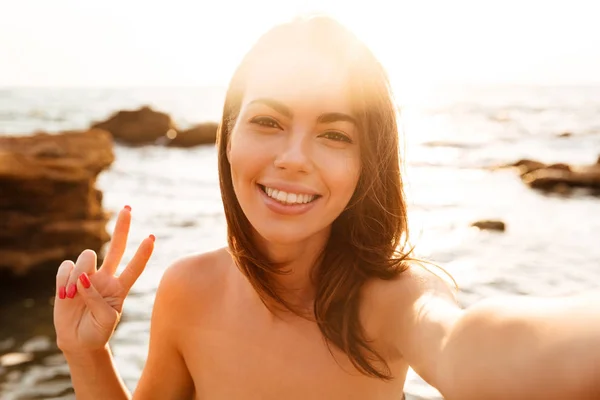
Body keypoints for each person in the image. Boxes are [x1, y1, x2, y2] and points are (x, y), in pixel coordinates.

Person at [53, 15, 600, 400]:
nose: (293, 159)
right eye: (267, 121)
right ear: (228, 137)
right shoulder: (186, 289)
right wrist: (86, 354)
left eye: (335, 134)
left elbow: (466, 349)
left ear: (369, 162)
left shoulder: (395, 298)